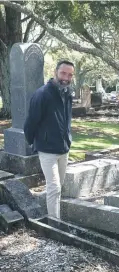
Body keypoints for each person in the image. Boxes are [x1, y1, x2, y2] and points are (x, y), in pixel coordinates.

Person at [24, 60, 75, 219]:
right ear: (55, 72)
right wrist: (34, 142)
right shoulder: (42, 94)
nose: (66, 77)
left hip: (63, 149)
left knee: (59, 186)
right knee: (54, 187)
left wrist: (68, 139)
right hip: (47, 150)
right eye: (63, 73)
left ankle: (56, 215)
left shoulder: (67, 93)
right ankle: (55, 223)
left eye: (70, 74)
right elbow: (30, 123)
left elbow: (66, 120)